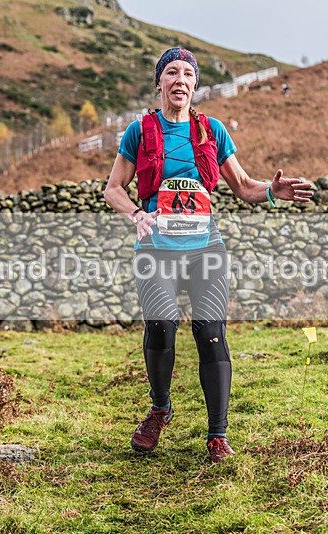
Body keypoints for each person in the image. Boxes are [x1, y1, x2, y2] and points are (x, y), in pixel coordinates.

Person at [104, 47, 313, 463]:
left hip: (206, 250)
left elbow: (244, 186)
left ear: (195, 85)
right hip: (155, 249)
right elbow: (113, 188)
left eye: (187, 74)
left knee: (210, 332)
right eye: (171, 73)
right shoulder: (139, 131)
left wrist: (273, 192)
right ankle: (160, 409)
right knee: (161, 325)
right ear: (159, 82)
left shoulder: (212, 131)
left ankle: (217, 435)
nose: (179, 80)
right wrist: (135, 216)